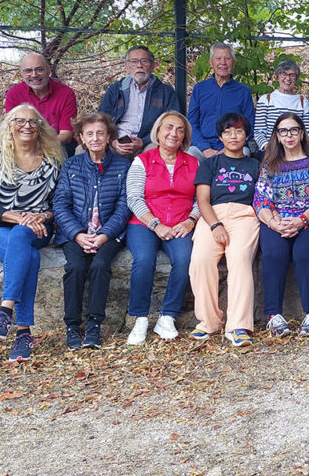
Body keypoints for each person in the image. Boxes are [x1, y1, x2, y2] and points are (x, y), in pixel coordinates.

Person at [0, 104, 64, 362]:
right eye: (20, 121)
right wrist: (21, 217)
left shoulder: (52, 161)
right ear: (10, 125)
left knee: (22, 236)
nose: (27, 126)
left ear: (40, 128)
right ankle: (23, 333)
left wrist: (43, 216)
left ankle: (3, 313)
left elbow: (59, 203)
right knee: (29, 256)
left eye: (33, 122)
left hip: (39, 227)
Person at [52, 112, 130, 350]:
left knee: (99, 266)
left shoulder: (122, 165)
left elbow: (124, 205)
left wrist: (105, 235)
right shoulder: (72, 165)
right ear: (81, 139)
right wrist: (77, 234)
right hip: (76, 233)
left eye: (100, 133)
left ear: (109, 137)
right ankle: (72, 326)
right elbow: (60, 204)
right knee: (75, 267)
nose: (95, 138)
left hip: (109, 234)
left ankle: (95, 324)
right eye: (89, 134)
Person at [253, 112, 309, 338]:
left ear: (302, 133)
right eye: (283, 131)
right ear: (277, 136)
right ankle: (274, 316)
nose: (289, 135)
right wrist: (273, 222)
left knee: (303, 252)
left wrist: (300, 221)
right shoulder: (270, 164)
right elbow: (261, 199)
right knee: (274, 252)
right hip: (278, 220)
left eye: (294, 130)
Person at [124, 111, 200, 344]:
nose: (173, 133)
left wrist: (190, 221)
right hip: (144, 223)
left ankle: (168, 316)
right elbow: (134, 198)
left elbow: (200, 199)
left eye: (179, 130)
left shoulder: (193, 163)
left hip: (180, 223)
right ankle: (140, 318)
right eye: (168, 127)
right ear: (157, 132)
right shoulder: (143, 160)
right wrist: (155, 224)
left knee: (185, 259)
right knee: (144, 260)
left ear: (185, 136)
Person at [188, 113, 261, 347]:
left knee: (239, 259)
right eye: (228, 131)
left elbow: (261, 199)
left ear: (246, 135)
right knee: (200, 260)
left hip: (244, 215)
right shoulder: (210, 164)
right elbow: (203, 201)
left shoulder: (255, 165)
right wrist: (215, 225)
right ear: (220, 136)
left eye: (239, 131)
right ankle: (209, 322)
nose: (233, 136)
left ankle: (238, 325)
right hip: (213, 216)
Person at [98, 45, 180, 158]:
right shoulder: (116, 89)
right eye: (133, 61)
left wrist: (143, 141)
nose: (139, 65)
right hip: (116, 143)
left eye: (144, 61)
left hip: (149, 143)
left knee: (158, 151)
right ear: (127, 66)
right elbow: (101, 120)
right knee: (83, 149)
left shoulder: (165, 92)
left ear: (152, 65)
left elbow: (173, 124)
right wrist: (112, 141)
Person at [187, 43, 255, 157]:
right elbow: (191, 123)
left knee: (245, 153)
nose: (223, 62)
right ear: (211, 62)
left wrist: (229, 148)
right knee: (190, 155)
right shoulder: (200, 88)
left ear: (233, 63)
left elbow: (249, 125)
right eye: (218, 58)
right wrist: (205, 148)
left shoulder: (243, 91)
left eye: (227, 59)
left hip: (234, 145)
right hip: (204, 145)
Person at [4, 52, 78, 149]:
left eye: (39, 70)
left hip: (57, 146)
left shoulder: (66, 93)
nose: (34, 75)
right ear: (21, 73)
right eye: (28, 71)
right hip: (23, 147)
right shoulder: (13, 94)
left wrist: (39, 148)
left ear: (49, 70)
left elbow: (66, 135)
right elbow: (11, 130)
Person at [255, 59, 309, 149]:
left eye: (292, 75)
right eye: (284, 74)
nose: (288, 78)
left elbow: (308, 133)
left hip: (296, 150)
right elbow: (259, 132)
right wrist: (268, 148)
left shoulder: (302, 102)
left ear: (296, 78)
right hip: (270, 150)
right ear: (276, 77)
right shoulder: (266, 100)